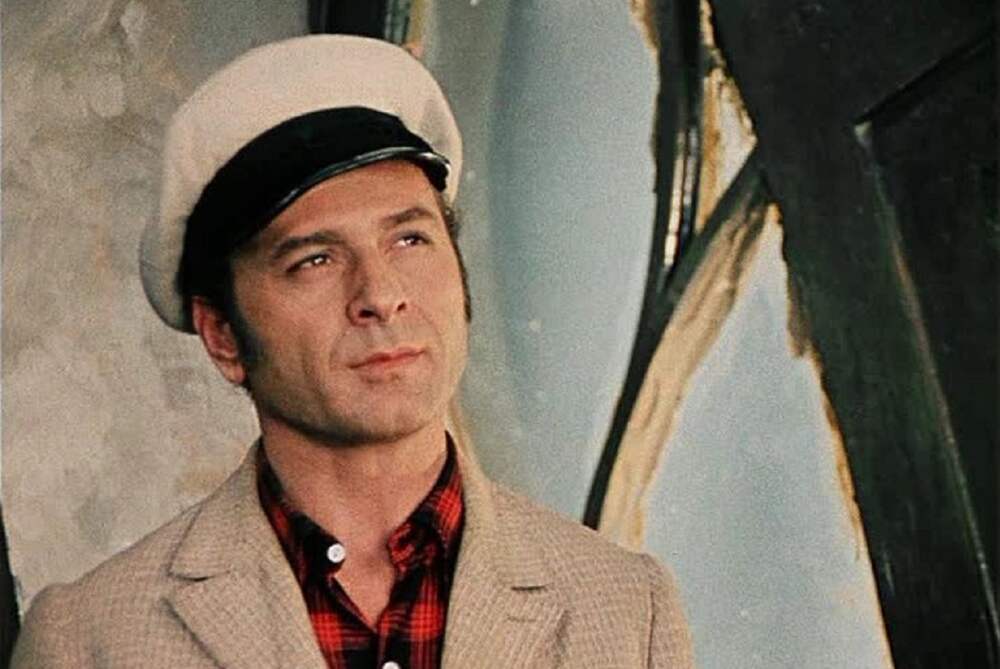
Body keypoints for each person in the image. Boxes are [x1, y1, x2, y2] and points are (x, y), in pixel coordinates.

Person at [12, 35, 693, 668]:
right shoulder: (90, 638)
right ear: (222, 335)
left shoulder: (629, 609)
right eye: (314, 259)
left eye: (410, 239)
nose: (381, 295)